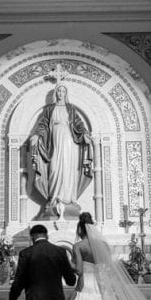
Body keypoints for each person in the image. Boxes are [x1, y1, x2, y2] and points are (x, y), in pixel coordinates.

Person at [30, 83, 93, 221]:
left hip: (70, 141)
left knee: (68, 169)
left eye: (63, 91)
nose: (61, 93)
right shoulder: (49, 109)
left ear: (66, 93)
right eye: (58, 91)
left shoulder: (71, 109)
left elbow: (78, 124)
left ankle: (69, 199)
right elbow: (43, 125)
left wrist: (85, 135)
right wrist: (37, 135)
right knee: (54, 169)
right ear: (55, 93)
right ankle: (54, 198)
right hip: (54, 141)